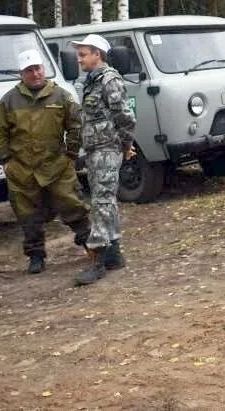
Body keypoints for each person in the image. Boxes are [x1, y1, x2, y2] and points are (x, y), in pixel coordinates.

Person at [0, 49, 89, 275]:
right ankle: (36, 257)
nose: (35, 74)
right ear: (21, 74)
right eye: (29, 70)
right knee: (28, 216)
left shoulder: (60, 96)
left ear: (43, 69)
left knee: (73, 206)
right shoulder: (9, 100)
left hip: (57, 165)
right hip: (22, 170)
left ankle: (89, 245)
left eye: (38, 69)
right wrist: (6, 159)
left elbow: (75, 125)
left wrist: (71, 155)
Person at [69, 34, 137, 286]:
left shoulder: (109, 81)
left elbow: (126, 118)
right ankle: (114, 255)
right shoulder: (92, 81)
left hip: (107, 150)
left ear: (98, 54)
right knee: (106, 201)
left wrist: (126, 145)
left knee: (100, 202)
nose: (79, 58)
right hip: (96, 151)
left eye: (84, 53)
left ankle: (97, 260)